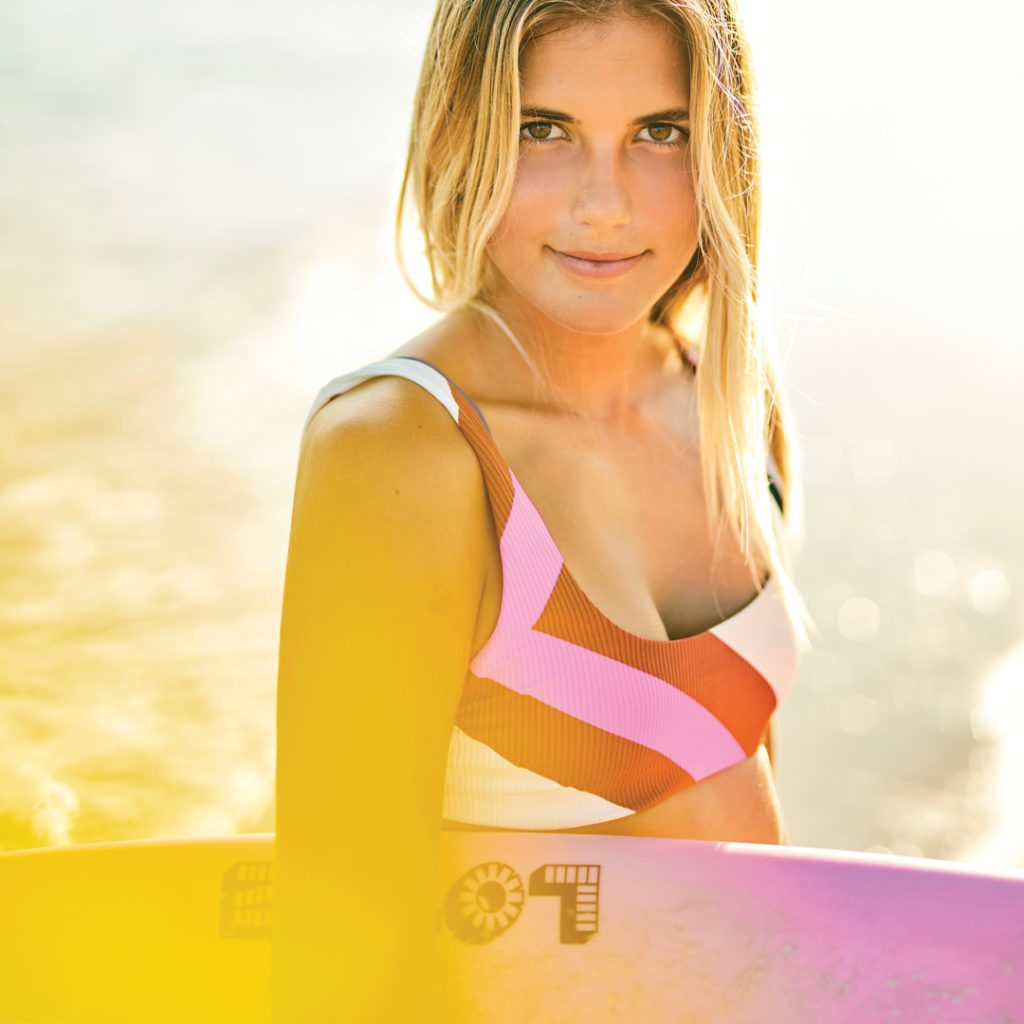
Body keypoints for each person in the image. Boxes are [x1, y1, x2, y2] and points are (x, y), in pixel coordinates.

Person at [271, 0, 815, 1019]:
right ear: (456, 136)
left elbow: (742, 780)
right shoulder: (404, 450)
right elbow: (340, 925)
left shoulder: (728, 392)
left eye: (662, 131)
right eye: (541, 129)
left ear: (721, 148)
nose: (604, 204)